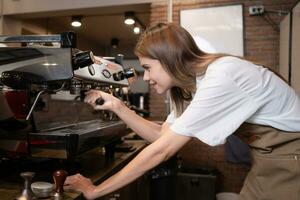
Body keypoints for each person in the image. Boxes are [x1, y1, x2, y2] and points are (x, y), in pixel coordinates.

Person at [64, 22, 300, 200]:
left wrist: (95, 190)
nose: (145, 77)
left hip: (291, 157)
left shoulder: (221, 76)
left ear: (169, 59)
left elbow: (162, 150)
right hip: (268, 158)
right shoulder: (193, 86)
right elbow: (160, 136)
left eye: (147, 67)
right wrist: (117, 106)